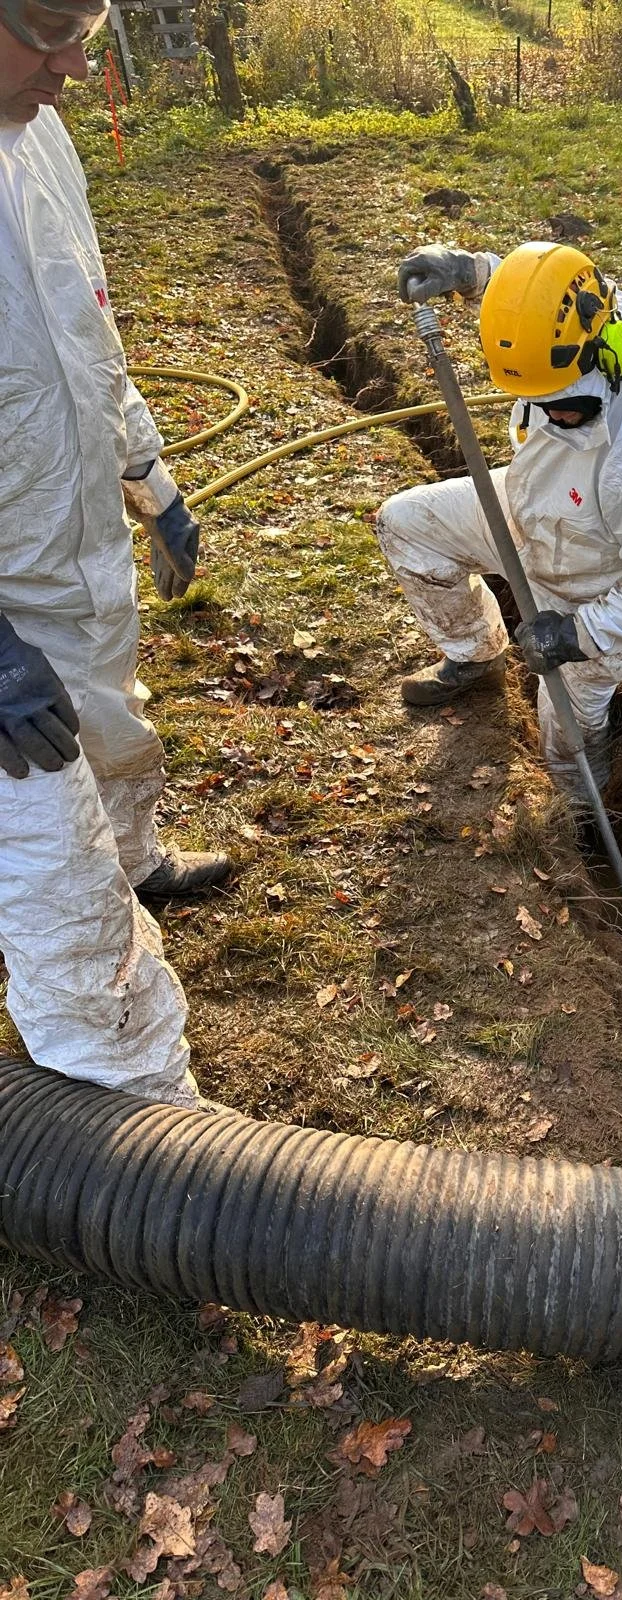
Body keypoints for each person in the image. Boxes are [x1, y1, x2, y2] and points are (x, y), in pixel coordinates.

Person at [0, 0, 230, 1107]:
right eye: (48, 29)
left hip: (74, 556)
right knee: (65, 899)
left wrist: (156, 483)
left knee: (118, 733)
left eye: (86, 28)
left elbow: (90, 335)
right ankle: (138, 1140)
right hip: (4, 638)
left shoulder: (37, 134)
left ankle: (138, 861)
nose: (74, 67)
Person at [377, 240, 622, 802]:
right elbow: (544, 294)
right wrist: (473, 272)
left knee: (566, 733)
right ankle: (473, 654)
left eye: (564, 404)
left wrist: (576, 635)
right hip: (532, 506)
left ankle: (581, 813)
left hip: (593, 587)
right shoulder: (596, 313)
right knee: (405, 526)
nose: (550, 412)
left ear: (600, 360)